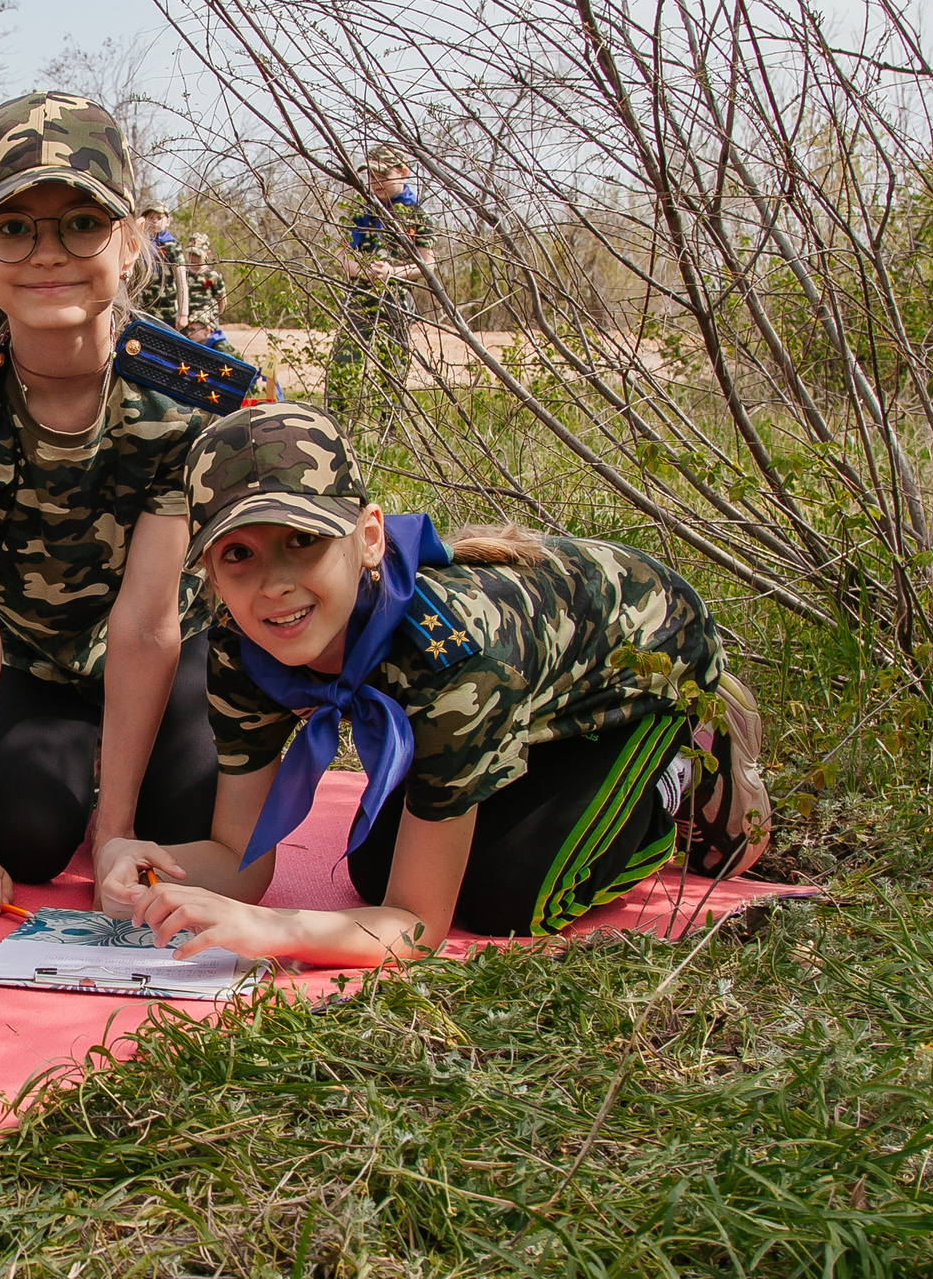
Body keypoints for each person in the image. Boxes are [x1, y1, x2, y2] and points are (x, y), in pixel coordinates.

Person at [102, 402, 772, 966]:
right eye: (238, 554)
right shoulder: (237, 644)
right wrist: (150, 872)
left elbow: (418, 928)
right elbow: (239, 859)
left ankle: (683, 762)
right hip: (520, 678)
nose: (273, 583)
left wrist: (277, 931)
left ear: (368, 537)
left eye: (302, 539)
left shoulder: (450, 658)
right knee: (374, 869)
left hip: (642, 666)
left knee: (510, 895)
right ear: (211, 576)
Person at [0, 91, 224, 911]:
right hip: (33, 661)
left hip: (170, 654)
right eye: (13, 227)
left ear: (133, 240)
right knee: (25, 837)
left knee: (184, 829)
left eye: (81, 222)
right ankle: (76, 771)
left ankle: (115, 781)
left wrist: (114, 831)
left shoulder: (183, 400)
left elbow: (148, 626)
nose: (48, 253)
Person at [330, 146, 426, 421]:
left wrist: (393, 272)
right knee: (343, 362)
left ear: (403, 172)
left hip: (396, 300)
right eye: (371, 174)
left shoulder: (416, 214)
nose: (375, 181)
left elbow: (428, 263)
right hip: (360, 299)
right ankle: (335, 423)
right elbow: (339, 253)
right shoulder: (359, 211)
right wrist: (359, 270)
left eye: (383, 174)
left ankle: (390, 429)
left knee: (393, 365)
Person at [138, 205, 186, 326]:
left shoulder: (172, 245)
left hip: (166, 309)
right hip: (141, 308)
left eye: (159, 217)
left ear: (167, 221)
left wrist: (183, 313)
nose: (155, 221)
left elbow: (181, 280)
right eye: (151, 217)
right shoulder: (140, 244)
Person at [181, 232, 227, 347]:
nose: (194, 258)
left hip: (206, 320)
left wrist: (216, 317)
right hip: (187, 319)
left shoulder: (212, 275)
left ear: (207, 254)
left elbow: (221, 299)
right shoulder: (183, 274)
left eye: (197, 255)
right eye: (191, 254)